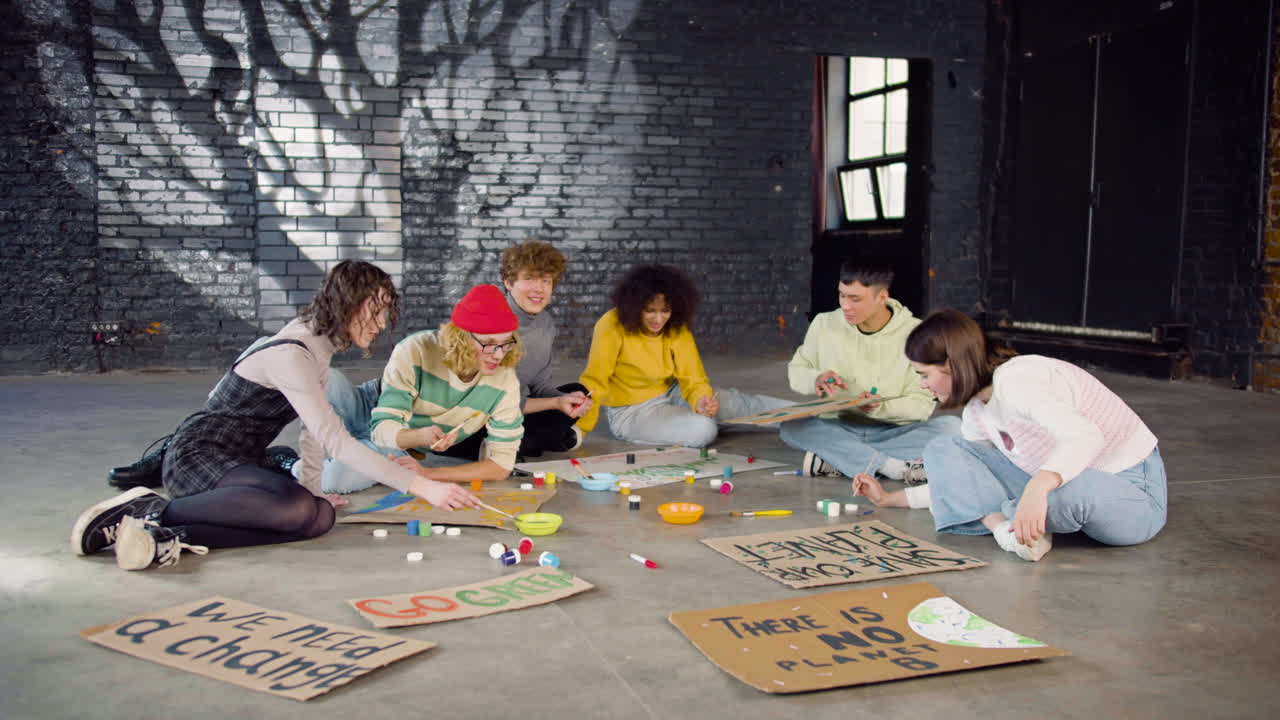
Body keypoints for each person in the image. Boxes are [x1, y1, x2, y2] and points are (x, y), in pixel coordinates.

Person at [70, 261, 480, 571]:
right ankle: (144, 510)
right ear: (346, 304)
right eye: (374, 312)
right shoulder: (293, 353)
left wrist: (316, 488)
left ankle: (164, 536)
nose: (381, 324)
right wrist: (422, 486)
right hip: (198, 456)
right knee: (297, 510)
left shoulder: (318, 347)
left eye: (386, 313)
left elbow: (312, 433)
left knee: (317, 516)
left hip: (239, 461)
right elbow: (336, 439)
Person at [852, 308, 1167, 562]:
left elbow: (1086, 437)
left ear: (951, 365)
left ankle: (1019, 518)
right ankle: (1008, 531)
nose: (923, 384)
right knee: (944, 449)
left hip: (1129, 490)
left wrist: (1036, 490)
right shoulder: (977, 410)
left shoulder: (1018, 380)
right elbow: (964, 477)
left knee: (1074, 488)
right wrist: (892, 499)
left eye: (924, 374)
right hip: (1053, 486)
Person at [321, 284, 526, 493]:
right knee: (320, 376)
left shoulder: (505, 383)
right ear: (461, 338)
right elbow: (383, 428)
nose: (499, 355)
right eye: (488, 344)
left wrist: (427, 473)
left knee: (336, 482)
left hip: (397, 445)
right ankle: (340, 450)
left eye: (506, 343)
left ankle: (296, 464)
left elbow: (501, 466)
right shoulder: (415, 349)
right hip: (364, 408)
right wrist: (421, 436)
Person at [779, 255, 960, 483]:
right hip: (839, 425)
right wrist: (816, 378)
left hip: (893, 429)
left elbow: (921, 406)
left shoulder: (916, 333)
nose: (845, 305)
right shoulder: (825, 324)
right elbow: (796, 370)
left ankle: (840, 458)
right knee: (792, 426)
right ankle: (889, 466)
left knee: (952, 428)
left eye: (855, 299)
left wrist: (879, 407)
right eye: (842, 295)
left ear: (882, 297)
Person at [575, 263, 789, 447]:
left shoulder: (675, 326)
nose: (658, 319)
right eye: (650, 310)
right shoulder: (610, 325)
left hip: (673, 393)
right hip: (633, 411)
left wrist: (701, 401)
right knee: (703, 429)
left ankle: (808, 415)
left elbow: (694, 377)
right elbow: (595, 383)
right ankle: (710, 421)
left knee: (736, 403)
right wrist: (579, 431)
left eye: (665, 310)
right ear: (634, 305)